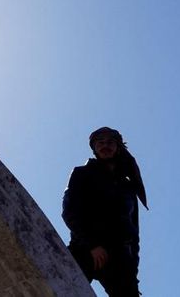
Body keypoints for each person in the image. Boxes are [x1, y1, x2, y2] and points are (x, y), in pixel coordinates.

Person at [62, 127, 148, 296]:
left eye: (110, 142)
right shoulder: (82, 173)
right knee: (61, 289)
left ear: (118, 147)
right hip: (85, 248)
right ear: (94, 148)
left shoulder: (128, 187)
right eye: (100, 143)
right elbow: (70, 212)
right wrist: (92, 245)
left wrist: (132, 270)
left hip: (120, 257)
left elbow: (133, 231)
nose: (105, 146)